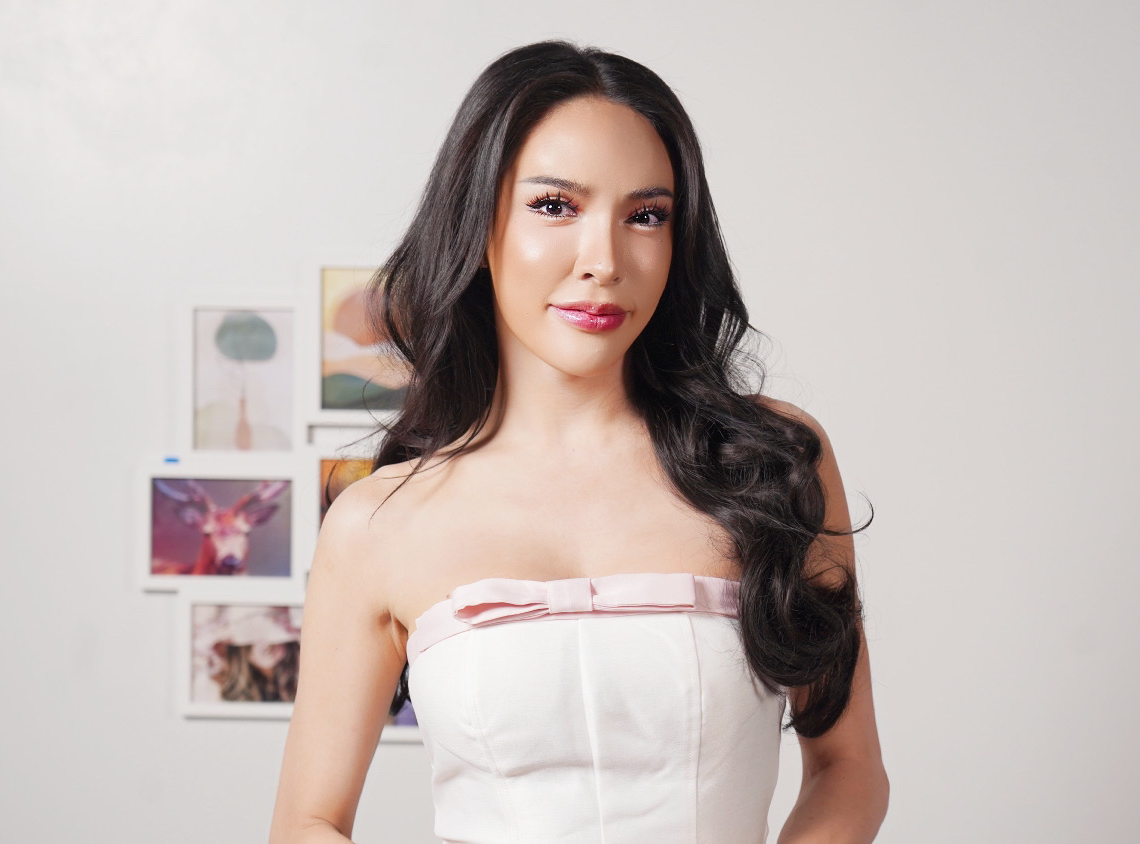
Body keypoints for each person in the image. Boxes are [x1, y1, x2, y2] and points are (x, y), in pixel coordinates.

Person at [269, 40, 888, 843]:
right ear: (478, 223)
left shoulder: (773, 464)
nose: (604, 261)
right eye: (556, 206)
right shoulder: (378, 522)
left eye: (646, 215)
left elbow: (848, 770)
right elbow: (307, 820)